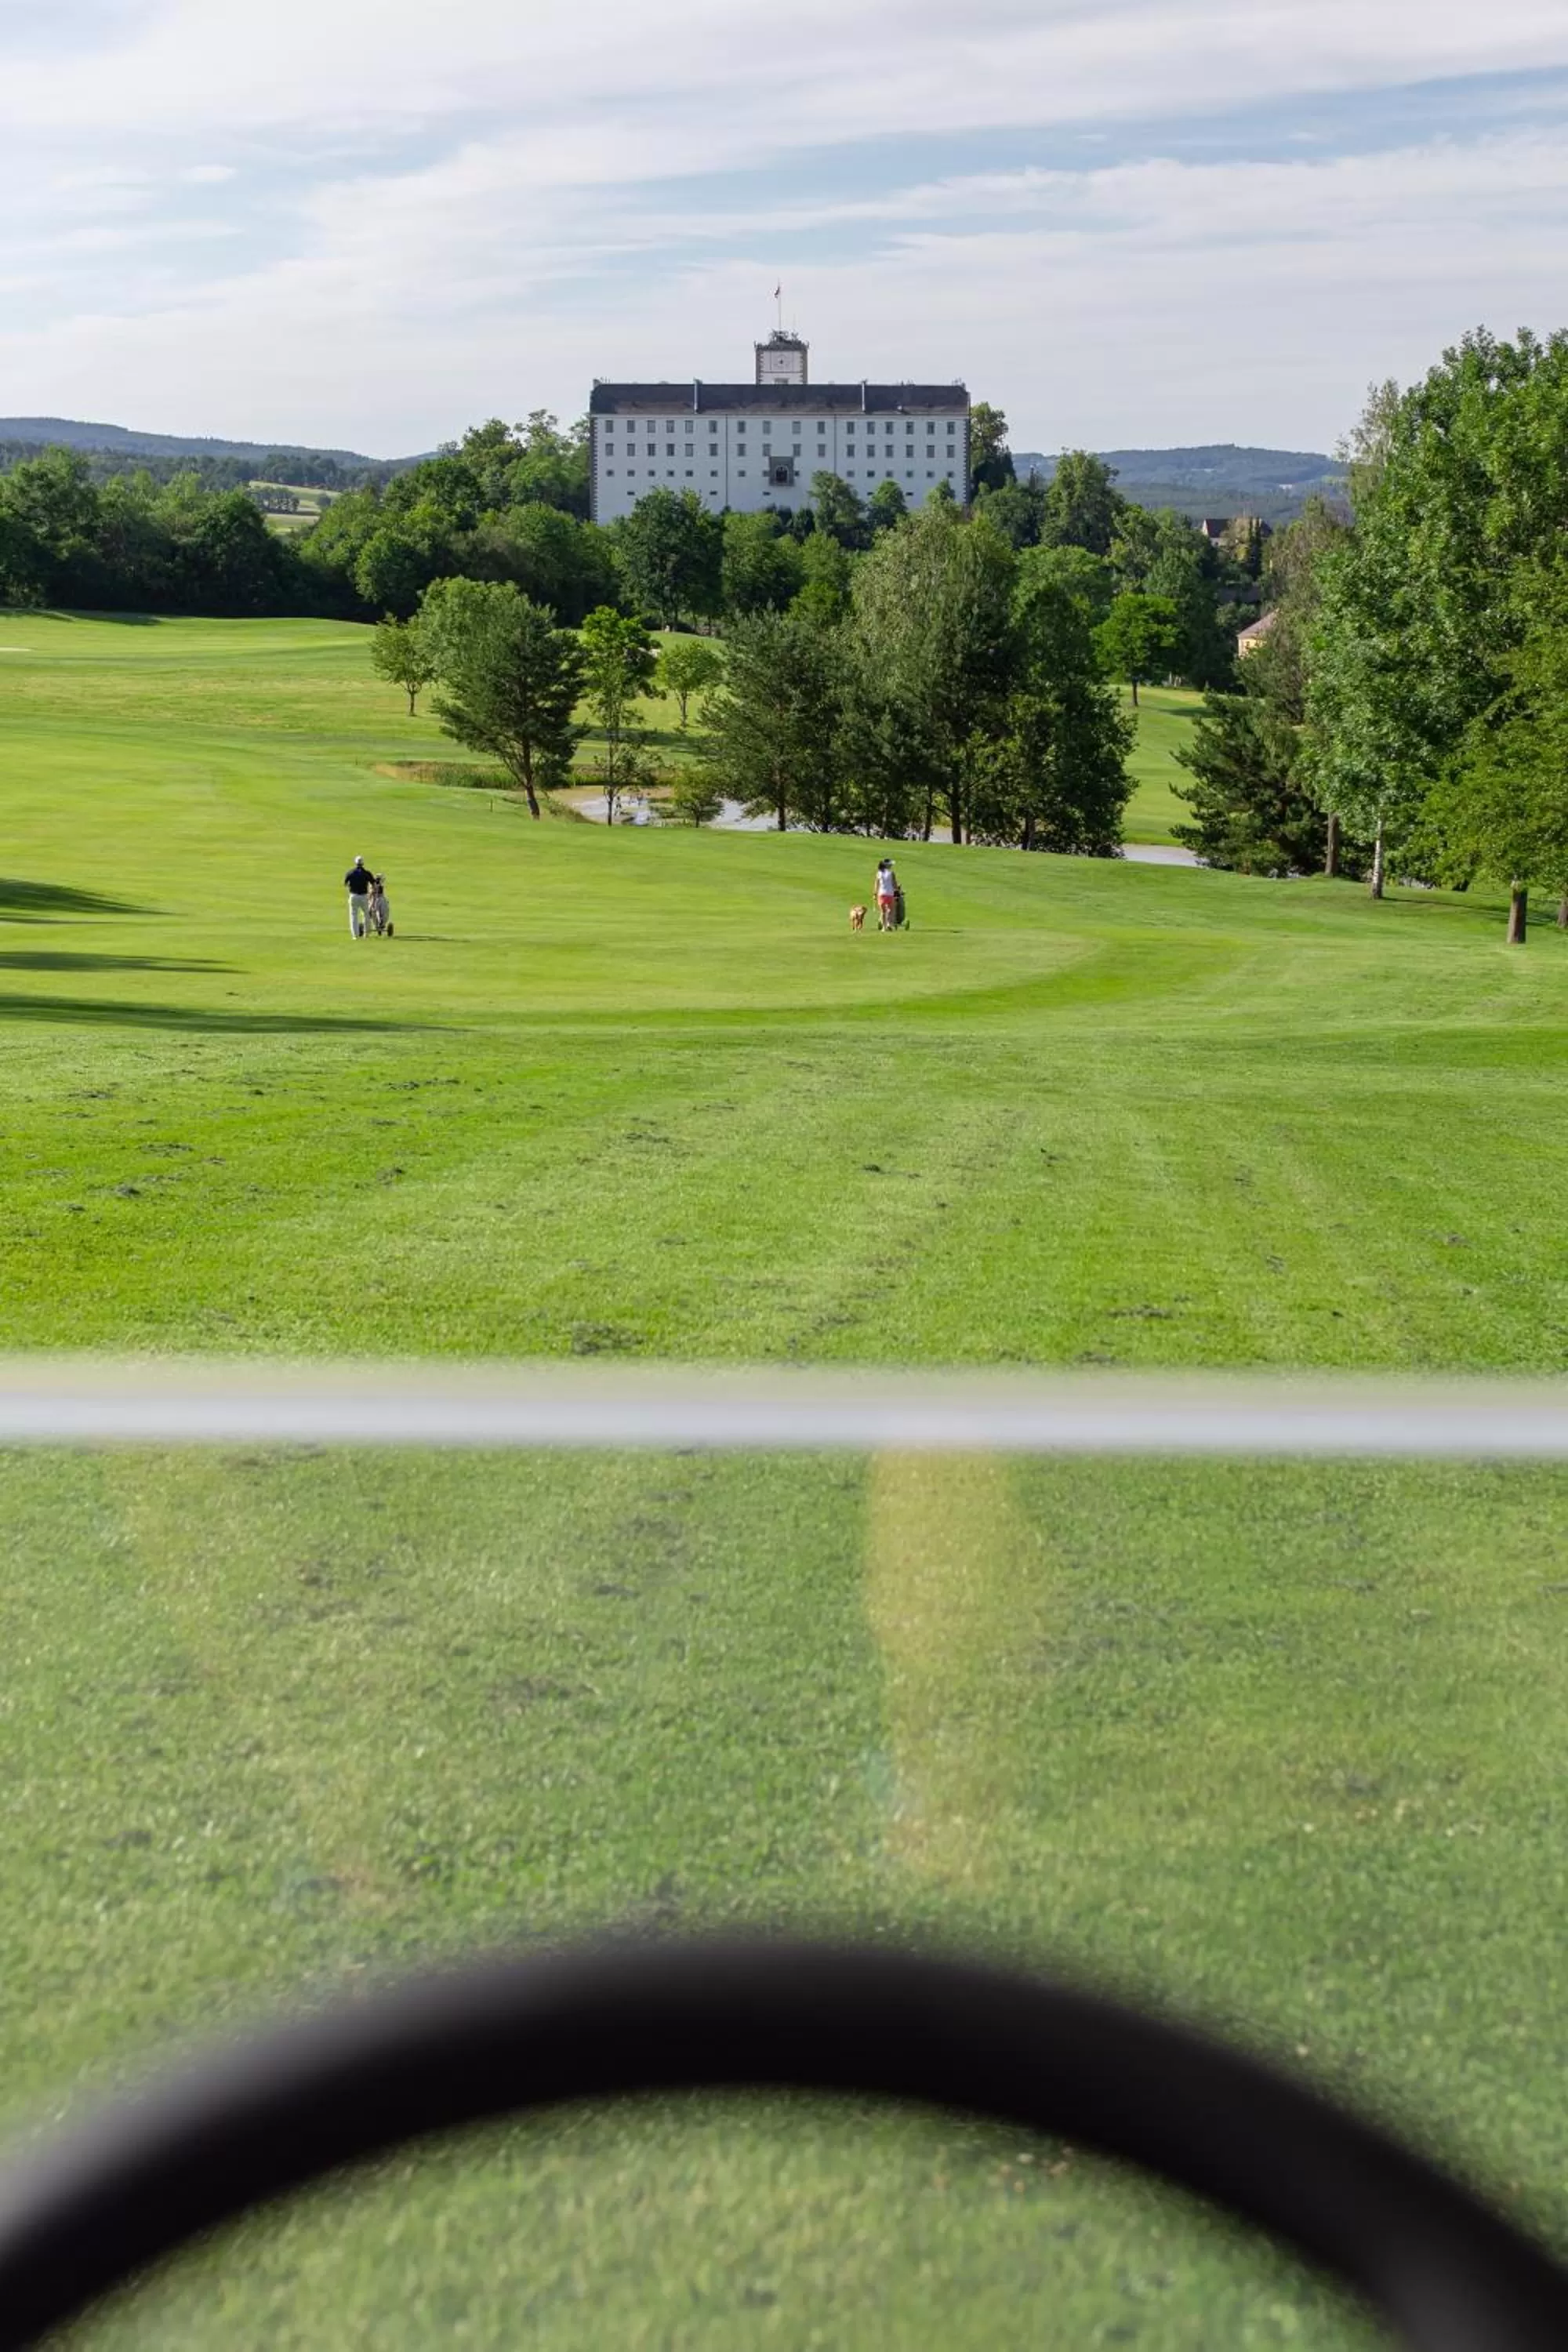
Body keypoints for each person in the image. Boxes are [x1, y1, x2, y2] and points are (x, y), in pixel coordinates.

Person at [344, 855, 373, 938]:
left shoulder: (350, 872)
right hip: (364, 896)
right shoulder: (367, 873)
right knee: (366, 915)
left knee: (353, 915)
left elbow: (346, 884)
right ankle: (366, 934)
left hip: (353, 895)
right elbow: (373, 883)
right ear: (363, 863)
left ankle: (355, 936)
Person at [876, 857, 898, 931]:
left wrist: (875, 894)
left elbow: (877, 884)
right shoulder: (891, 873)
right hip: (890, 894)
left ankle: (884, 928)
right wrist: (897, 891)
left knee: (883, 912)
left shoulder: (879, 873)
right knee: (890, 910)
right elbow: (894, 884)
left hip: (881, 894)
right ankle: (889, 924)